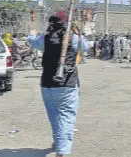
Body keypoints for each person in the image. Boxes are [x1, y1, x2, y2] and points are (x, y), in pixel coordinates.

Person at [27, 11, 89, 157]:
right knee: (66, 117)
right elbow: (85, 47)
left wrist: (32, 33)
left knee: (54, 116)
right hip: (67, 84)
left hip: (47, 84)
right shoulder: (74, 38)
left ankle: (58, 142)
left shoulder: (45, 38)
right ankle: (62, 152)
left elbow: (32, 41)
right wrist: (78, 31)